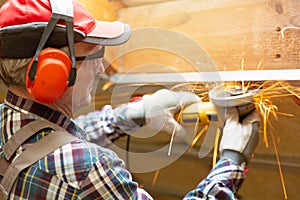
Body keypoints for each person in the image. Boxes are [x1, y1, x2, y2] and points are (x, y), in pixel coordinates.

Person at [0, 0, 261, 199]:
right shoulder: (91, 167)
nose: (101, 69)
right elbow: (72, 157)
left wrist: (133, 115)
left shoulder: (7, 120)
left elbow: (48, 141)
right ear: (53, 72)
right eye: (94, 56)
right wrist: (232, 160)